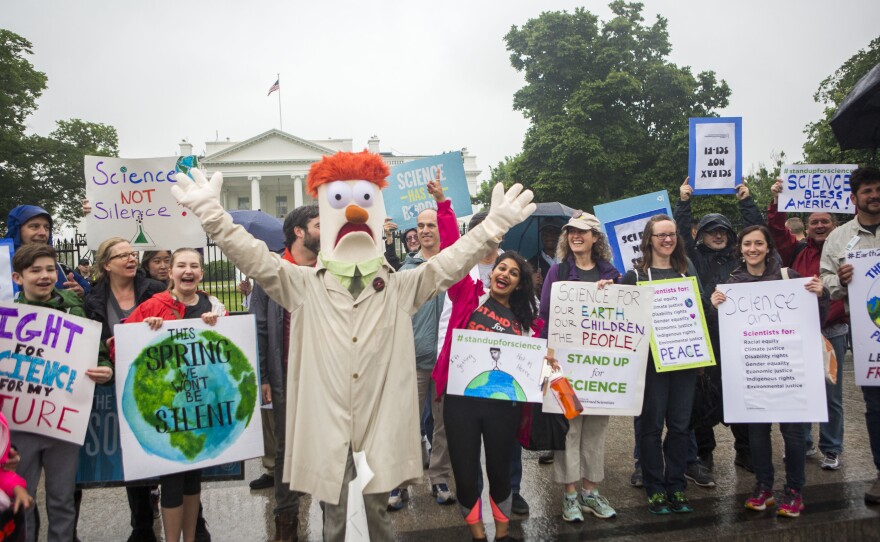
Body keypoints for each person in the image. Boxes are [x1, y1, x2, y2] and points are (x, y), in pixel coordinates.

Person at [169, 152, 534, 541]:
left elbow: (449, 263)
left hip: (380, 419)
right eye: (341, 202)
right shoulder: (303, 284)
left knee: (379, 515)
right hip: (328, 421)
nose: (355, 214)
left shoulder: (398, 287)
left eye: (364, 202)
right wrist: (213, 214)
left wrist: (493, 226)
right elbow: (253, 257)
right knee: (336, 515)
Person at [711, 225, 826, 518]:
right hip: (753, 371)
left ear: (768, 246)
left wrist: (821, 295)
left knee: (793, 434)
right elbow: (721, 331)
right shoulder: (732, 284)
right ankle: (763, 487)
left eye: (758, 243)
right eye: (747, 243)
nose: (752, 248)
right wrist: (714, 308)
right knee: (758, 434)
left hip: (788, 370)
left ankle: (794, 491)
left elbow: (815, 319)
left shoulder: (789, 277)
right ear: (740, 248)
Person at [433, 250, 542, 541]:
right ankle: (478, 535)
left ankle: (503, 534)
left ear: (519, 284)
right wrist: (444, 207)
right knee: (466, 476)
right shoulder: (469, 297)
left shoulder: (527, 323)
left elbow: (538, 359)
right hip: (461, 405)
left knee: (500, 473)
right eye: (500, 268)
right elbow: (456, 252)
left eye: (513, 272)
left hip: (503, 409)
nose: (504, 274)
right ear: (491, 273)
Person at [124, 248, 227, 542]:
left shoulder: (214, 306)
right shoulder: (152, 306)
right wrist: (146, 330)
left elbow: (229, 352)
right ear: (170, 273)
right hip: (167, 409)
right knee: (171, 479)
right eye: (181, 265)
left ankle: (191, 537)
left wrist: (218, 326)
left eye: (194, 266)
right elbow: (121, 345)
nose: (188, 271)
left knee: (194, 478)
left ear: (201, 273)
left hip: (200, 408)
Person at [10, 243, 111, 541]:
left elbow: (97, 350)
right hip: (19, 427)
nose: (44, 276)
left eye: (50, 269)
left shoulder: (74, 307)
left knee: (62, 500)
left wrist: (105, 368)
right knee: (22, 500)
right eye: (35, 270)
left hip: (63, 422)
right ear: (18, 277)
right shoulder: (8, 316)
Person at [675, 177, 763, 481]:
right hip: (706, 334)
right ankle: (704, 452)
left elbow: (759, 234)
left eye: (723, 231)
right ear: (703, 237)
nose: (717, 235)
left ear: (730, 236)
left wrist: (746, 201)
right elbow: (681, 235)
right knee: (702, 396)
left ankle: (745, 449)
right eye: (711, 231)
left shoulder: (740, 257)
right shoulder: (694, 257)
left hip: (739, 336)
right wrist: (684, 202)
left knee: (740, 392)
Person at [83, 237, 167, 542]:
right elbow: (91, 338)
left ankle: (191, 519)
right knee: (133, 453)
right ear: (107, 264)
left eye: (133, 254)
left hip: (158, 380)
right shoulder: (94, 298)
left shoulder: (154, 290)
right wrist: (104, 360)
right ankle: (141, 526)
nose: (131, 259)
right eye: (123, 256)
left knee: (167, 451)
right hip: (118, 382)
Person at [538, 212, 620, 523]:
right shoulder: (557, 272)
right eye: (571, 231)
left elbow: (625, 315)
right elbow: (545, 315)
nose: (576, 236)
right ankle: (570, 495)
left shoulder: (612, 274)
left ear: (595, 238)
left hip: (601, 371)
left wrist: (612, 292)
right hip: (565, 370)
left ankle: (591, 492)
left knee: (595, 432)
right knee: (569, 430)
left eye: (583, 232)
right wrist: (547, 359)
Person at [621, 214, 700, 515]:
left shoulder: (686, 270)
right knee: (651, 428)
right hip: (650, 367)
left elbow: (700, 309)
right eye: (661, 235)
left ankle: (676, 485)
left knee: (680, 427)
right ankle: (655, 488)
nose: (668, 240)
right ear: (648, 240)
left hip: (685, 362)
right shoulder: (635, 277)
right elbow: (622, 320)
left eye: (672, 235)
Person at [389, 179, 458, 510]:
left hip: (447, 361)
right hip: (414, 358)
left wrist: (442, 200)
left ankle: (439, 477)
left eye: (431, 224)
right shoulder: (408, 269)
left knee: (443, 425)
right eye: (420, 225)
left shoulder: (452, 267)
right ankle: (399, 482)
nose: (426, 230)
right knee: (406, 423)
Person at [768, 179, 847, 469]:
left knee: (831, 394)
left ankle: (831, 448)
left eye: (825, 220)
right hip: (800, 331)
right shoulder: (798, 250)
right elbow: (776, 231)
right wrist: (776, 201)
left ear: (834, 224)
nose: (819, 225)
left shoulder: (846, 251)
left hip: (832, 329)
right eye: (814, 221)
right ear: (807, 226)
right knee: (799, 390)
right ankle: (802, 443)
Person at [251, 204, 318, 541]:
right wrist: (264, 376)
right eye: (319, 225)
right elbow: (259, 328)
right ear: (299, 232)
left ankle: (333, 519)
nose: (327, 230)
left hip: (324, 377)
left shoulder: (330, 270)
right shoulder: (272, 273)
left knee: (327, 446)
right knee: (286, 450)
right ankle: (286, 522)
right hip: (285, 375)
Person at [820, 165, 880, 505]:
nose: (874, 196)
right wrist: (840, 281)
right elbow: (826, 279)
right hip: (869, 333)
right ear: (854, 198)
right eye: (867, 191)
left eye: (878, 189)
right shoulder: (840, 238)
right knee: (875, 405)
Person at [5, 204, 91, 296]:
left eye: (47, 227)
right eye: (34, 226)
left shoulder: (62, 269)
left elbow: (92, 291)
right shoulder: (3, 267)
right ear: (17, 230)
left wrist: (82, 291)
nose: (43, 233)